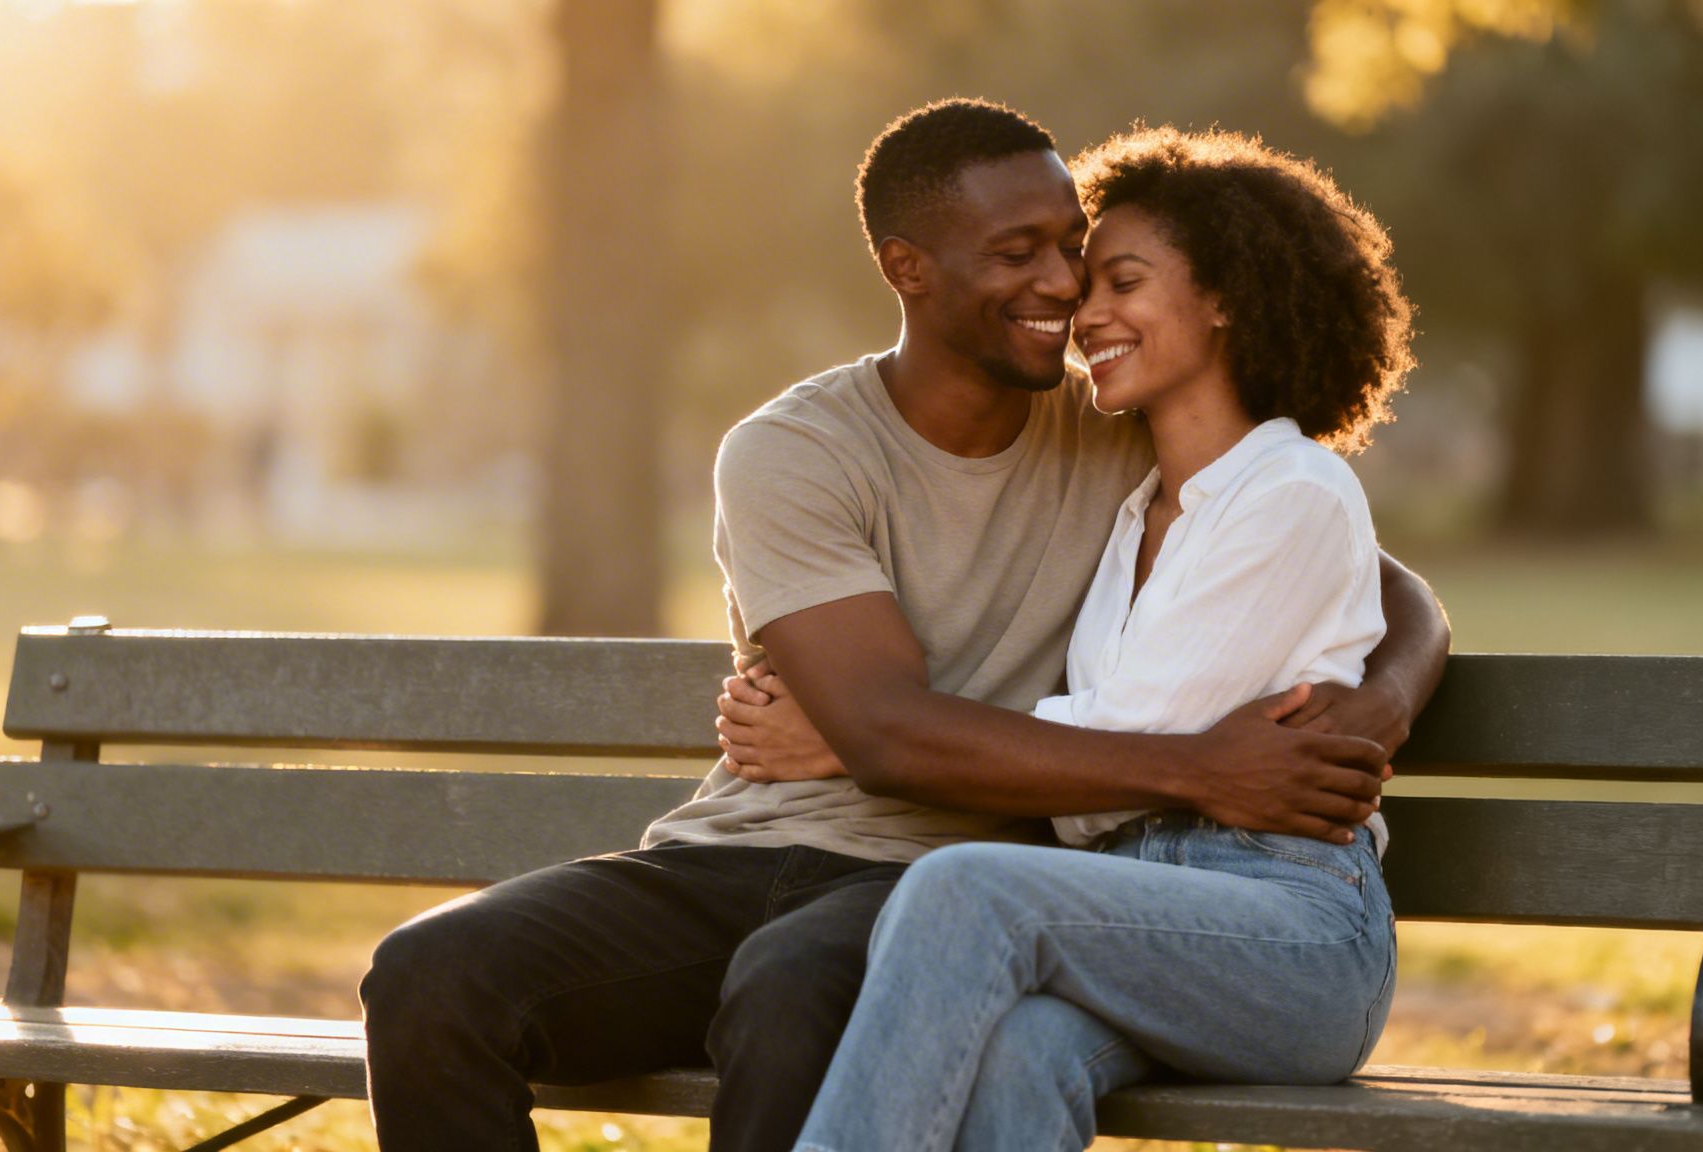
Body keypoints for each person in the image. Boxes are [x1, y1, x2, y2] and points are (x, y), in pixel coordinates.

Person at [358, 99, 1448, 1152]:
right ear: (906, 268)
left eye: (1074, 248)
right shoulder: (794, 451)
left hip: (952, 873)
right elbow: (882, 735)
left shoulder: (1121, 423)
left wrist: (1374, 709)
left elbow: (1378, 581)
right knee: (428, 978)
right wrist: (1189, 768)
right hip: (741, 851)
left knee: (790, 992)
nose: (1062, 286)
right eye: (1018, 252)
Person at [773, 125, 1416, 1152]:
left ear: (1224, 298)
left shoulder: (1292, 492)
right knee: (1020, 1056)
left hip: (1290, 938)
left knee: (963, 890)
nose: (1085, 311)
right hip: (1143, 921)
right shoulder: (1133, 517)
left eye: (1120, 281)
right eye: (1089, 284)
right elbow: (1129, 773)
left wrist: (854, 737)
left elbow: (1108, 776)